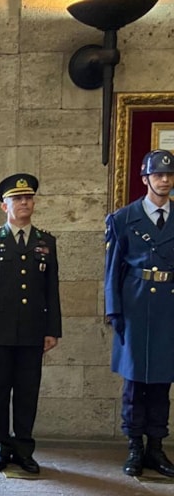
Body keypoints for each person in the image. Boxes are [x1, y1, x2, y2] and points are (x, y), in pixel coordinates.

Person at [0, 173, 61, 474]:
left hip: (33, 329)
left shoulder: (45, 241)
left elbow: (52, 289)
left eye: (28, 198)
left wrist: (52, 330)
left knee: (27, 391)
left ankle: (23, 449)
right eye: (18, 199)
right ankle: (0, 446)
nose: (24, 203)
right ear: (4, 206)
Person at [105, 149, 174, 478]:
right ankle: (134, 446)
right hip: (134, 306)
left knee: (162, 382)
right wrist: (113, 310)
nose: (164, 180)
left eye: (169, 175)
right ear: (145, 178)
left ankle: (156, 448)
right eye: (158, 175)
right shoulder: (123, 219)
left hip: (168, 308)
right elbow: (112, 270)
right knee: (134, 383)